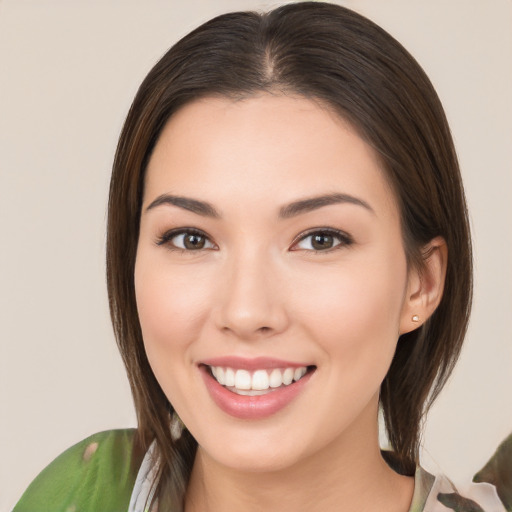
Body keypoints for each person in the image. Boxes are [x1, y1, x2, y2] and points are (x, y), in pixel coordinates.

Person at [12, 2, 507, 511]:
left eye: (320, 239)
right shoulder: (82, 495)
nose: (246, 312)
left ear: (420, 283)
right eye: (190, 238)